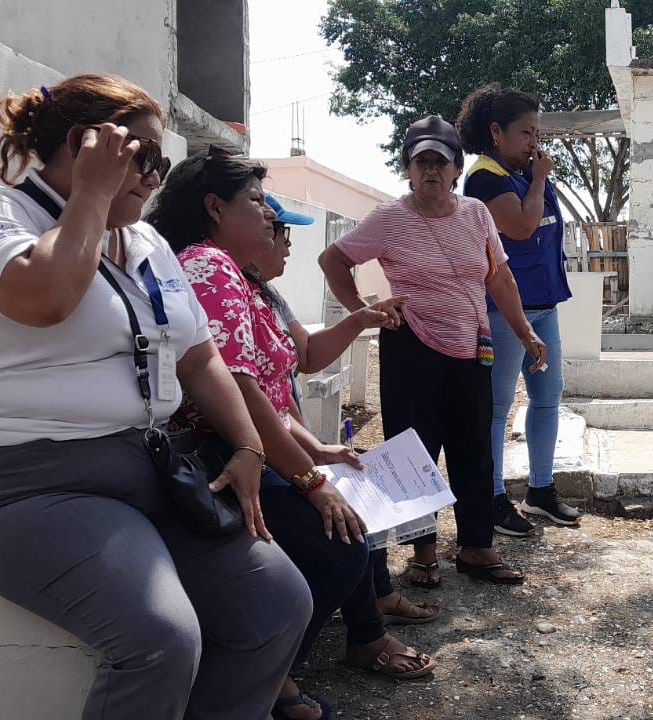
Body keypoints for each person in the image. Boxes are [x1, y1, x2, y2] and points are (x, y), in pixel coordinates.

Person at [0, 74, 310, 720]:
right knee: (159, 639)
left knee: (276, 604)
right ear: (81, 145)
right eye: (142, 155)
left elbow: (199, 356)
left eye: (160, 161)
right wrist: (90, 194)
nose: (154, 176)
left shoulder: (146, 243)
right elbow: (46, 296)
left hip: (149, 470)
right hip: (27, 487)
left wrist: (248, 445)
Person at [146, 151, 438, 719]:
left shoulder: (240, 278)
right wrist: (310, 479)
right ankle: (267, 678)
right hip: (226, 457)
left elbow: (284, 373)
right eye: (257, 202)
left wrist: (315, 457)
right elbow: (240, 389)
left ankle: (350, 638)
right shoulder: (208, 266)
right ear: (215, 208)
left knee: (350, 520)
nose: (270, 217)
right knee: (337, 544)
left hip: (261, 448)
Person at [319, 115, 547, 588]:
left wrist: (525, 332)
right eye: (421, 162)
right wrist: (364, 310)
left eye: (440, 163)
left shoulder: (476, 214)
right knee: (413, 451)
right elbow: (333, 259)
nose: (431, 171)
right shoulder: (389, 218)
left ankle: (477, 547)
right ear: (407, 168)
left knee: (474, 448)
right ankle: (422, 553)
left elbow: (499, 277)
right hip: (411, 345)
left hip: (472, 345)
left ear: (456, 169)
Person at [250, 197, 440, 626]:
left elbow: (304, 357)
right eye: (281, 233)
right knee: (346, 513)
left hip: (286, 439)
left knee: (362, 479)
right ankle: (362, 630)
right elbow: (258, 397)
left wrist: (361, 318)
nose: (287, 245)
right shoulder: (227, 293)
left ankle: (377, 601)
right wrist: (311, 462)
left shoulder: (268, 295)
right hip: (262, 451)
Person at [457, 84, 582, 537]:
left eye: (537, 133)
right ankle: (492, 499)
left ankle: (541, 490)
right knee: (498, 406)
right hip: (504, 311)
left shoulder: (522, 173)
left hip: (544, 305)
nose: (534, 142)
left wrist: (535, 175)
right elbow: (523, 227)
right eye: (526, 132)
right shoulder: (484, 179)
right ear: (497, 132)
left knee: (548, 397)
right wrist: (541, 178)